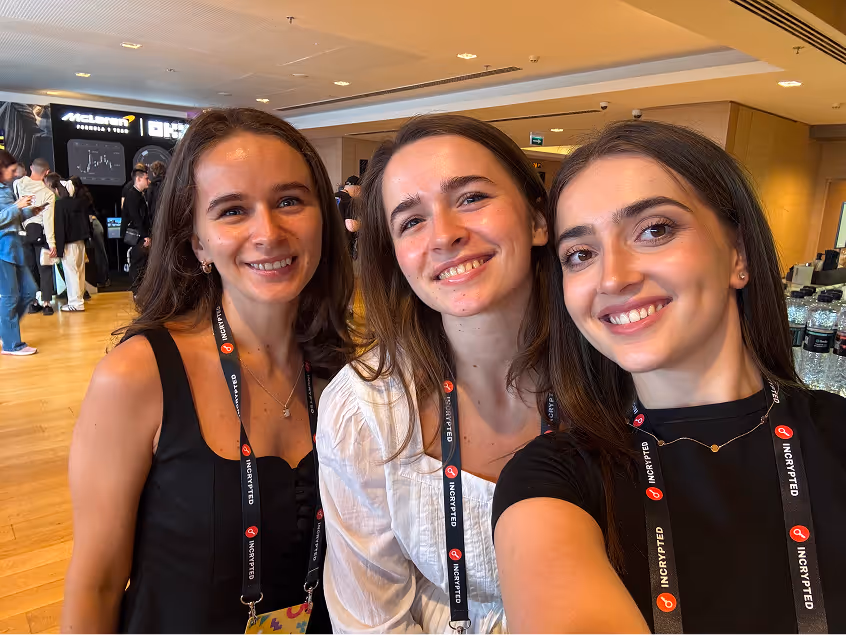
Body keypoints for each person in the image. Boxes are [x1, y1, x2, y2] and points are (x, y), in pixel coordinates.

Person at [492, 120, 846, 633]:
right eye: (580, 254)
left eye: (654, 229)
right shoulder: (556, 479)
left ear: (738, 254)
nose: (613, 277)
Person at [62, 108, 353, 633]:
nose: (268, 232)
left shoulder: (346, 375)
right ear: (197, 242)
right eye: (232, 211)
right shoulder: (138, 374)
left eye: (289, 201)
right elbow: (96, 583)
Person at [316, 114, 554, 633]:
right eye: (411, 221)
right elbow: (371, 619)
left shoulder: (620, 372)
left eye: (471, 197)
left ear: (538, 218)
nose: (444, 234)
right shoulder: (366, 409)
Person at [0, 149, 45, 355]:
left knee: (29, 291)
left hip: (14, 247)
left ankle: (5, 331)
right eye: (11, 170)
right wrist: (17, 207)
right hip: (2, 249)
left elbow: (11, 216)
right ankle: (12, 344)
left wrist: (29, 211)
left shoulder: (6, 189)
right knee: (10, 297)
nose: (15, 173)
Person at [14, 158, 55, 315]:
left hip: (22, 232)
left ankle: (33, 302)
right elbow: (48, 220)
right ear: (47, 172)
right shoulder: (48, 194)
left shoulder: (18, 184)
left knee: (29, 269)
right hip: (40, 233)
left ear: (31, 168)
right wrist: (52, 244)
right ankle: (46, 305)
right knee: (45, 268)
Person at [45, 174, 90, 312]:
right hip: (81, 242)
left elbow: (60, 228)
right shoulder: (79, 202)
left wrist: (58, 248)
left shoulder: (59, 205)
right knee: (80, 271)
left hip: (68, 244)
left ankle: (75, 303)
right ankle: (79, 299)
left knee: (71, 273)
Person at [70, 176, 109, 288]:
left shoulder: (80, 196)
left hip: (92, 225)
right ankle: (102, 279)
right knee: (98, 252)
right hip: (93, 224)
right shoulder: (85, 193)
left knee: (98, 253)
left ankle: (103, 279)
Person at [122, 165, 151, 293]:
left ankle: (140, 290)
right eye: (146, 178)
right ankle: (136, 291)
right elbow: (136, 217)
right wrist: (145, 235)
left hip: (139, 233)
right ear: (138, 179)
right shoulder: (133, 195)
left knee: (141, 261)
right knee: (137, 261)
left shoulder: (139, 195)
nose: (148, 181)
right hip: (136, 235)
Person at [145, 160, 166, 225]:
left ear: (154, 172)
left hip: (154, 218)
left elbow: (149, 202)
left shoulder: (151, 186)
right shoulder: (169, 185)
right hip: (166, 216)